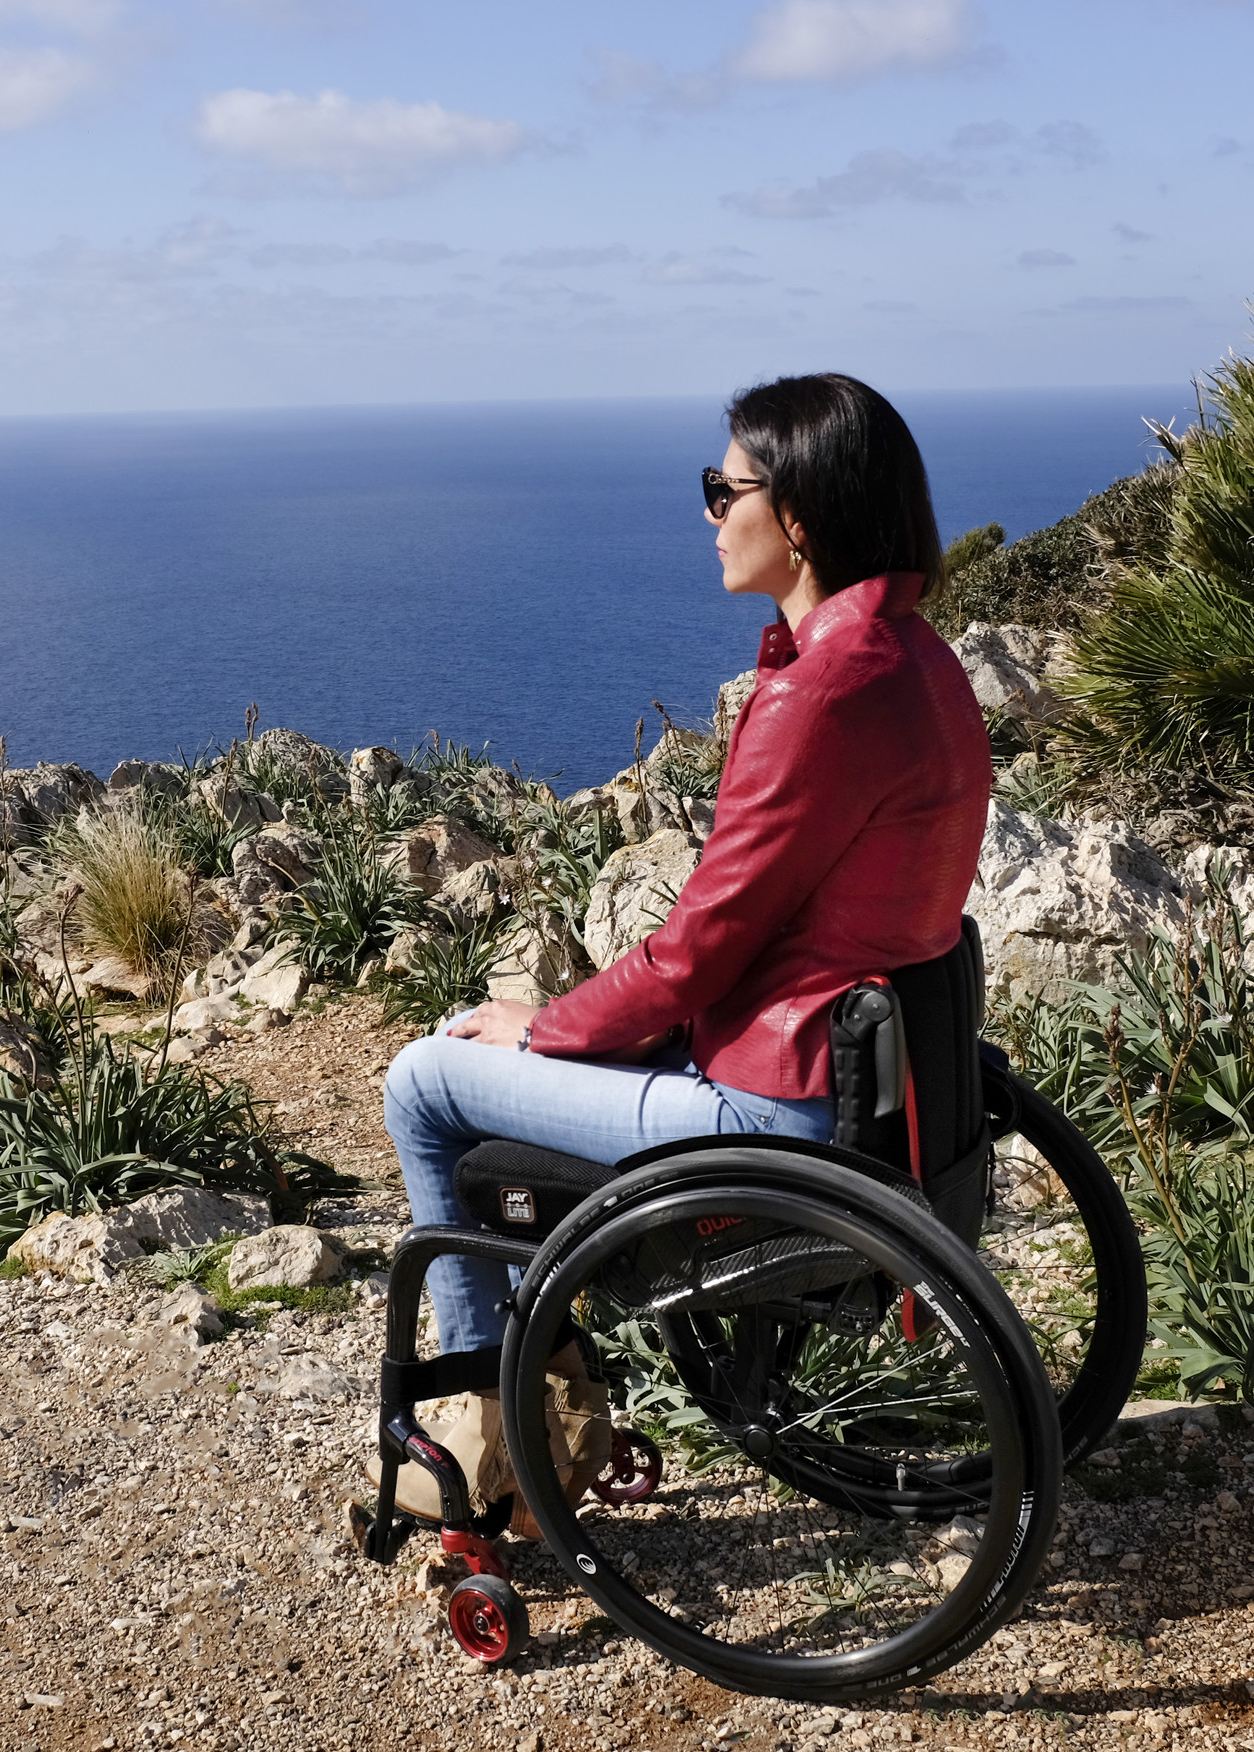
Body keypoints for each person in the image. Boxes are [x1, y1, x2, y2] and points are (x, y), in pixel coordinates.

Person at [369, 371, 992, 1528]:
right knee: (509, 1064)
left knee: (428, 1079)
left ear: (796, 513)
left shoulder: (820, 693)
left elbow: (697, 948)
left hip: (782, 1110)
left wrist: (541, 1026)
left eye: (724, 488)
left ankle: (488, 1432)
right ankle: (531, 1383)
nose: (708, 513)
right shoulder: (918, 659)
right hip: (880, 1080)